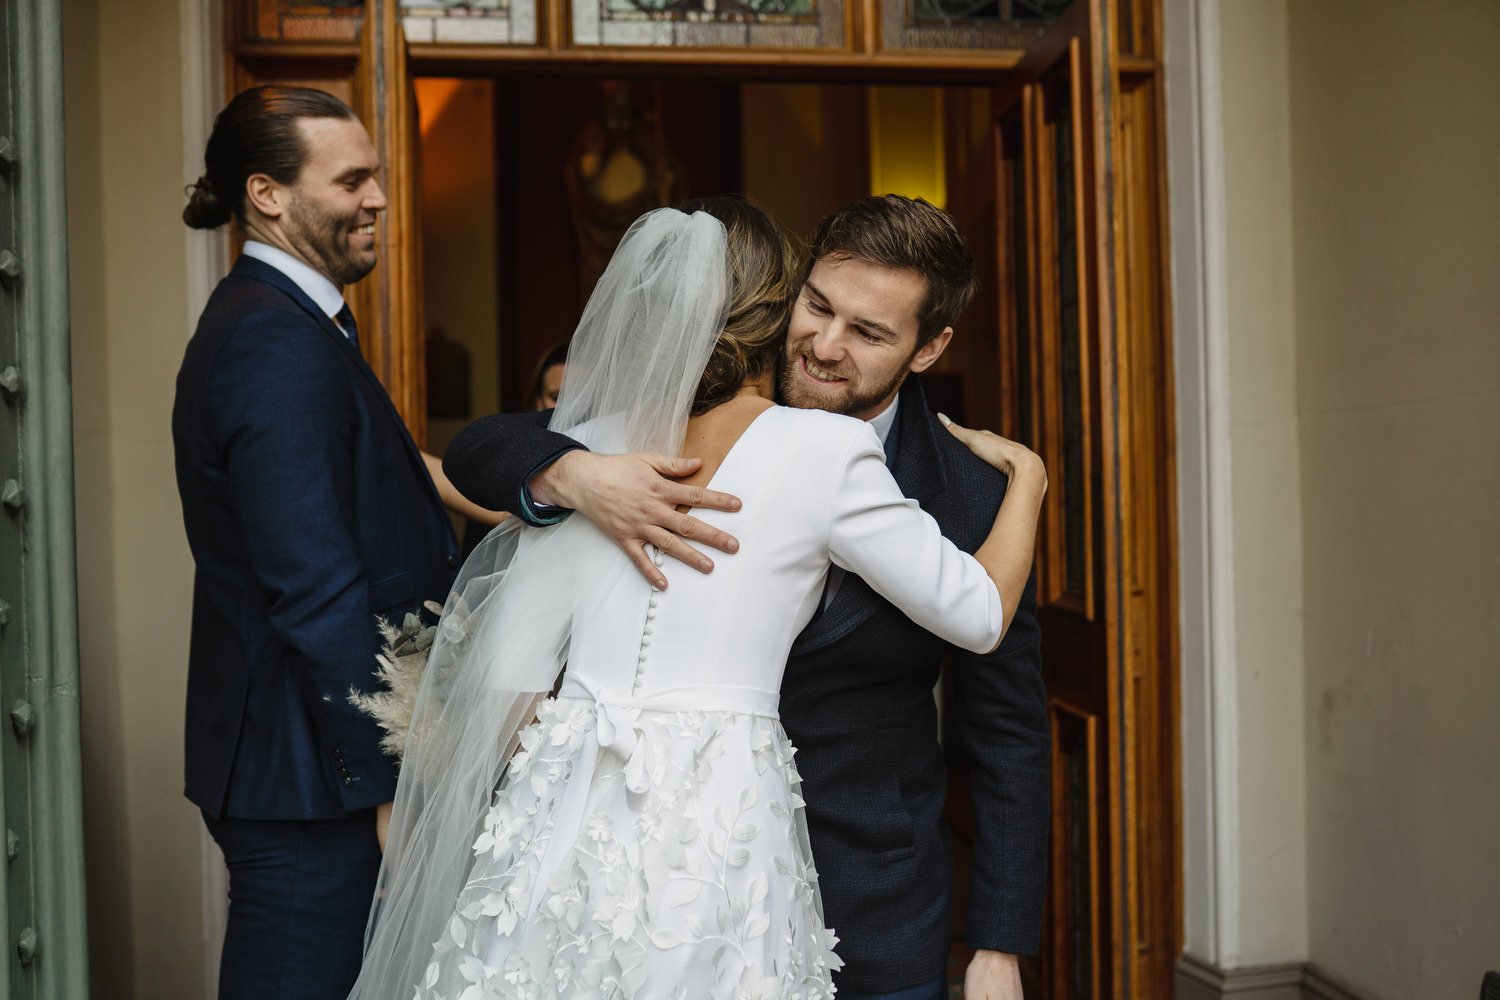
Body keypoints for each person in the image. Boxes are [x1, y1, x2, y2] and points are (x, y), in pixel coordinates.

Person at [350, 201, 1046, 1000]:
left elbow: (1008, 732)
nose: (824, 346)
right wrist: (577, 474)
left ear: (929, 348)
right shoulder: (616, 447)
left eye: (868, 332)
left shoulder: (971, 497)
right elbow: (481, 449)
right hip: (650, 865)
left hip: (865, 895)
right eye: (816, 308)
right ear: (784, 297)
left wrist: (998, 943)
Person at [172, 85, 461, 1000]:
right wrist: (387, 777)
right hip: (310, 779)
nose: (378, 197)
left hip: (306, 765)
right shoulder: (273, 340)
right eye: (353, 180)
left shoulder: (292, 323)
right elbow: (313, 584)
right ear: (267, 194)